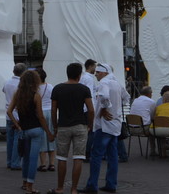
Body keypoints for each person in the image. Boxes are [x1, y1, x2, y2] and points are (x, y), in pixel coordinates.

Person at [82, 63, 129, 194]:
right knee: (112, 156)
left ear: (104, 73)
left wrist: (104, 109)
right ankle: (111, 184)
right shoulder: (117, 82)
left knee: (96, 155)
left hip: (104, 125)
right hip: (115, 124)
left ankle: (92, 185)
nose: (96, 74)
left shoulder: (104, 83)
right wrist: (116, 109)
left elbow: (104, 97)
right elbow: (126, 98)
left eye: (98, 72)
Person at [48, 62, 94, 194]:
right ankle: (74, 189)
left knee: (62, 157)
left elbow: (53, 110)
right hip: (80, 125)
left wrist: (55, 126)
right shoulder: (84, 89)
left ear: (67, 73)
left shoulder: (57, 88)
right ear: (79, 75)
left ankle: (60, 188)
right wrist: (89, 124)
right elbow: (91, 109)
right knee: (78, 157)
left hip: (63, 125)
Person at [8, 70, 54, 194]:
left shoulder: (18, 94)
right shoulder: (36, 95)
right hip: (36, 129)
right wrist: (48, 132)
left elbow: (9, 111)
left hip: (23, 130)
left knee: (26, 158)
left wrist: (17, 125)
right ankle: (30, 185)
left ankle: (24, 183)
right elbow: (40, 116)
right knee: (33, 158)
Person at [3, 62, 27, 170]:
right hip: (18, 115)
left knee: (10, 139)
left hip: (8, 114)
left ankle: (9, 161)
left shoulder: (7, 82)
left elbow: (4, 91)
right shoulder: (22, 84)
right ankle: (15, 162)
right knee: (18, 139)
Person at [36, 68, 56, 173]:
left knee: (42, 138)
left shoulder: (35, 88)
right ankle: (52, 164)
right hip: (50, 112)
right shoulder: (50, 86)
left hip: (40, 113)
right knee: (51, 137)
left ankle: (43, 164)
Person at [129, 86, 156, 156]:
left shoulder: (135, 100)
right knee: (154, 128)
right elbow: (153, 116)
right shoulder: (151, 102)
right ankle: (153, 150)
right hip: (143, 129)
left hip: (130, 128)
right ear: (149, 94)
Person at [79, 60, 98, 159]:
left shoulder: (83, 77)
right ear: (90, 66)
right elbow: (89, 94)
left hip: (83, 108)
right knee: (91, 131)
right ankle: (88, 153)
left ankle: (84, 152)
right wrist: (92, 110)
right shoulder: (89, 79)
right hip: (89, 108)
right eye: (94, 66)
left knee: (87, 131)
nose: (96, 69)